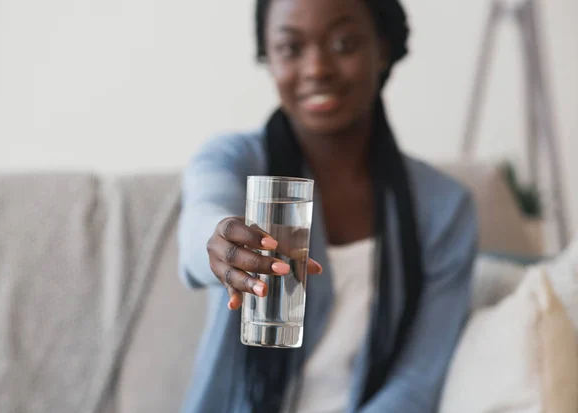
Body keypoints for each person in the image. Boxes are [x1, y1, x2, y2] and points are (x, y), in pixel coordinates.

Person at [178, 0, 478, 412]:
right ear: (268, 56)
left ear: (383, 48)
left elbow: (418, 379)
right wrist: (220, 247)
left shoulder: (445, 208)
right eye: (290, 48)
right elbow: (202, 219)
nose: (317, 68)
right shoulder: (235, 160)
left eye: (343, 43)